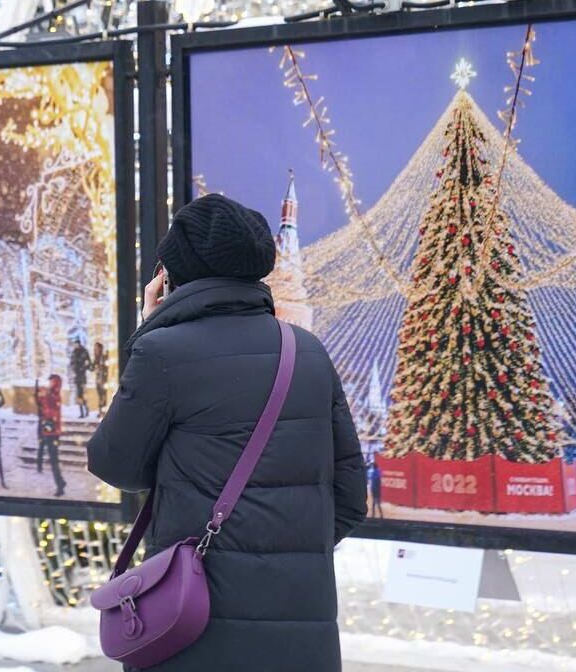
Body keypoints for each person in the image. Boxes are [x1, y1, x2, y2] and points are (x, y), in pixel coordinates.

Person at [87, 194, 366, 672]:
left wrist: (150, 326)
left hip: (193, 625)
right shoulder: (307, 351)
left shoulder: (161, 353)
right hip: (301, 631)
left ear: (173, 275)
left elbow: (116, 465)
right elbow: (349, 498)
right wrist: (283, 554)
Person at [36, 374, 66, 497]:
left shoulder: (54, 395)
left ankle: (60, 486)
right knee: (53, 460)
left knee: (54, 460)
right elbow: (41, 405)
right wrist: (39, 393)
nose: (49, 384)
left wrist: (44, 395)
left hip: (52, 432)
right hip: (48, 431)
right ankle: (61, 482)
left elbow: (49, 410)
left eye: (51, 382)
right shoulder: (51, 394)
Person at [70, 340, 92, 419]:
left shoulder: (84, 352)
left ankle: (86, 410)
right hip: (77, 376)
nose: (75, 345)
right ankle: (82, 412)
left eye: (76, 344)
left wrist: (84, 368)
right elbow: (71, 362)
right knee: (79, 395)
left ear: (79, 344)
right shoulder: (74, 352)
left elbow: (89, 363)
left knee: (82, 394)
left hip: (82, 376)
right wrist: (73, 368)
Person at [93, 341, 109, 416]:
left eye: (96, 348)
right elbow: (92, 367)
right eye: (94, 348)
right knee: (100, 396)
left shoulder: (103, 357)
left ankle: (103, 411)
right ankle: (101, 411)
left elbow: (106, 367)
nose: (95, 350)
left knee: (103, 396)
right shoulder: (96, 358)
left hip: (103, 379)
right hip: (98, 379)